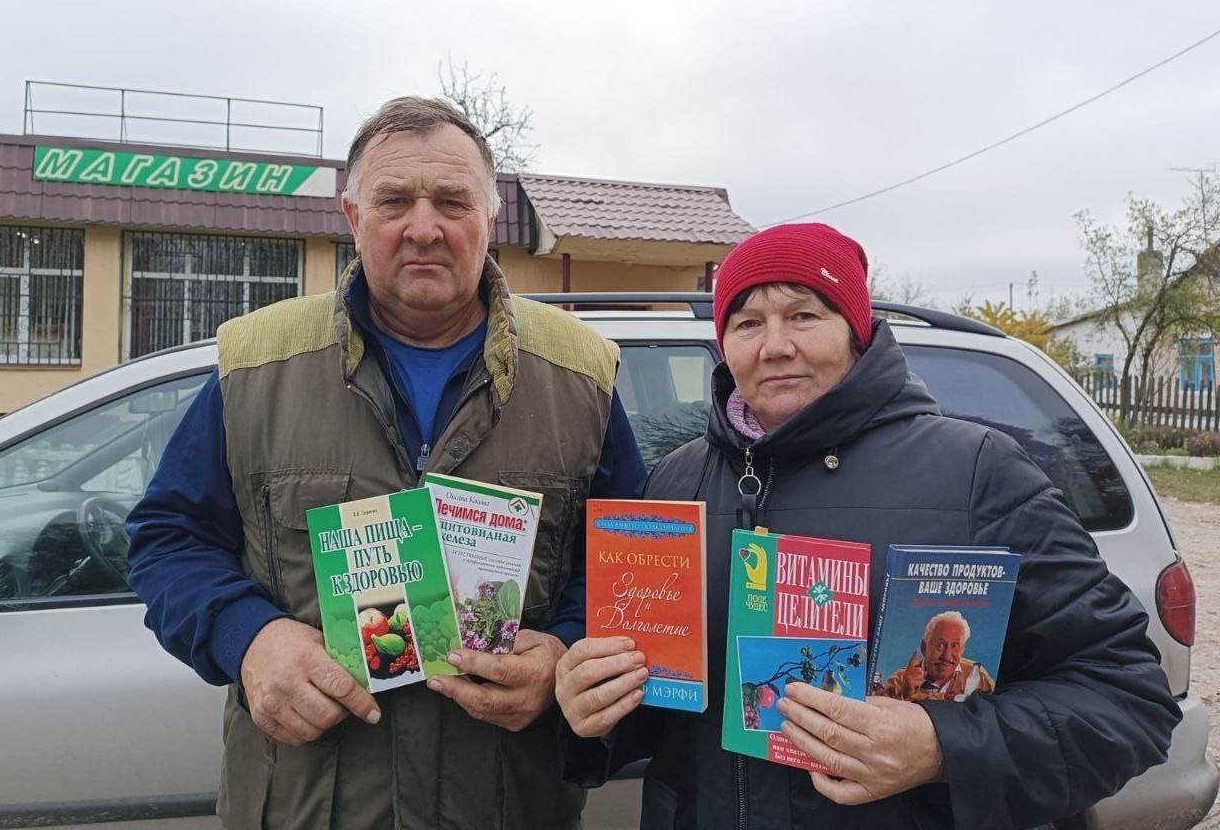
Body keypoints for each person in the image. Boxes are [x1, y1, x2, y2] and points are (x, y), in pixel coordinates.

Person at [126, 96, 647, 829]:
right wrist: (247, 638)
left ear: (489, 218)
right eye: (395, 200)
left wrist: (563, 652)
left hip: (506, 804)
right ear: (352, 216)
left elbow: (631, 566)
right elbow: (167, 539)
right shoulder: (258, 367)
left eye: (452, 201)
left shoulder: (579, 374)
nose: (424, 227)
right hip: (309, 805)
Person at [555, 222, 1180, 830]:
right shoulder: (675, 481)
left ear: (856, 331)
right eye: (747, 323)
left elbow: (1128, 697)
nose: (775, 345)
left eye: (804, 315)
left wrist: (942, 747)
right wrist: (598, 712)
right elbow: (663, 711)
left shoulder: (977, 473)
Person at [879, 611, 995, 702]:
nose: (947, 656)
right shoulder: (898, 681)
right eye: (940, 645)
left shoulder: (977, 675)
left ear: (963, 649)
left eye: (955, 645)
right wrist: (906, 694)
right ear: (924, 647)